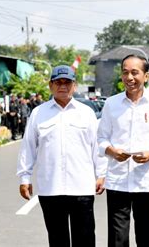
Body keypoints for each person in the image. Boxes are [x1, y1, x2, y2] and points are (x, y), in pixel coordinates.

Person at [17, 65, 106, 247]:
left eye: (67, 82)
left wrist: (102, 174)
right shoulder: (38, 113)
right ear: (51, 85)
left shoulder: (86, 113)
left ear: (75, 85)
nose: (63, 86)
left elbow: (96, 147)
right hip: (51, 188)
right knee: (57, 240)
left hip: (81, 187)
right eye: (58, 82)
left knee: (85, 238)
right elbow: (28, 147)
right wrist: (24, 178)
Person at [97, 54, 149, 247]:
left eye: (134, 72)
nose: (129, 77)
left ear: (146, 76)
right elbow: (101, 138)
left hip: (146, 179)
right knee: (117, 234)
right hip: (117, 178)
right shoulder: (111, 103)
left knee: (145, 229)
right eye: (125, 73)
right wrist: (112, 151)